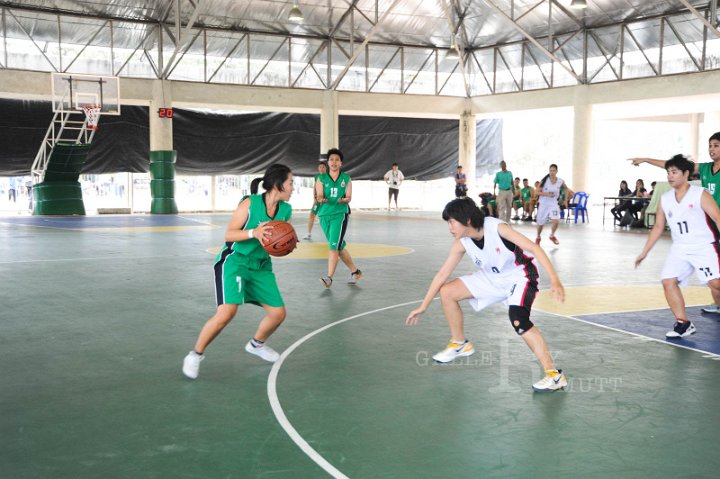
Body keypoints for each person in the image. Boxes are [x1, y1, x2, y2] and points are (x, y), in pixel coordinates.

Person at [405, 197, 567, 392]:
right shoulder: (462, 242)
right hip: (491, 278)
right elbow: (442, 275)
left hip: (520, 275)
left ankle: (554, 376)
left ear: (467, 220)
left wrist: (554, 279)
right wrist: (424, 305)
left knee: (519, 320)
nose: (449, 227)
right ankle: (459, 343)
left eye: (451, 221)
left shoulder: (497, 229)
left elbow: (533, 248)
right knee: (447, 291)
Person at [182, 164, 294, 379]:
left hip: (261, 266)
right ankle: (195, 354)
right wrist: (254, 232)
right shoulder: (249, 203)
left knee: (278, 313)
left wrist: (285, 244)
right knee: (226, 313)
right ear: (278, 184)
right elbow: (229, 234)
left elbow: (278, 241)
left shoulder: (286, 210)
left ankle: (256, 344)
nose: (293, 188)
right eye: (291, 183)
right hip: (235, 262)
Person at [630, 131, 720, 312]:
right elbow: (675, 166)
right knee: (714, 275)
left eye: (716, 145)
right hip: (708, 224)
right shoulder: (704, 168)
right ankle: (718, 305)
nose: (711, 149)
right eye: (710, 146)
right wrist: (647, 159)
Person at [315, 148, 362, 288]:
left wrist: (345, 200)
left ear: (341, 162)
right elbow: (319, 196)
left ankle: (329, 278)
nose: (334, 162)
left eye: (337, 160)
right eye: (331, 160)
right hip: (324, 215)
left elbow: (349, 196)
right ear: (328, 162)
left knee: (333, 247)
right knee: (339, 246)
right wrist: (321, 199)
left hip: (339, 215)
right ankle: (355, 271)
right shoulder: (321, 178)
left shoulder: (346, 178)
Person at [535, 164, 574, 245]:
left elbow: (567, 189)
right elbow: (537, 192)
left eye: (553, 170)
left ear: (557, 171)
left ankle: (552, 235)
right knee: (541, 224)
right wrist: (547, 194)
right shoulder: (544, 180)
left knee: (556, 221)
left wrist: (566, 201)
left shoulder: (560, 181)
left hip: (553, 203)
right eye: (550, 170)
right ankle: (538, 237)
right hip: (543, 204)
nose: (552, 172)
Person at [303, 160, 327, 241]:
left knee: (326, 218)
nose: (321, 168)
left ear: (326, 168)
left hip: (326, 201)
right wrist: (314, 199)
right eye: (320, 167)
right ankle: (308, 234)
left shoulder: (329, 177)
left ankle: (332, 234)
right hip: (318, 201)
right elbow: (315, 188)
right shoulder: (317, 177)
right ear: (318, 168)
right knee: (311, 215)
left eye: (323, 167)